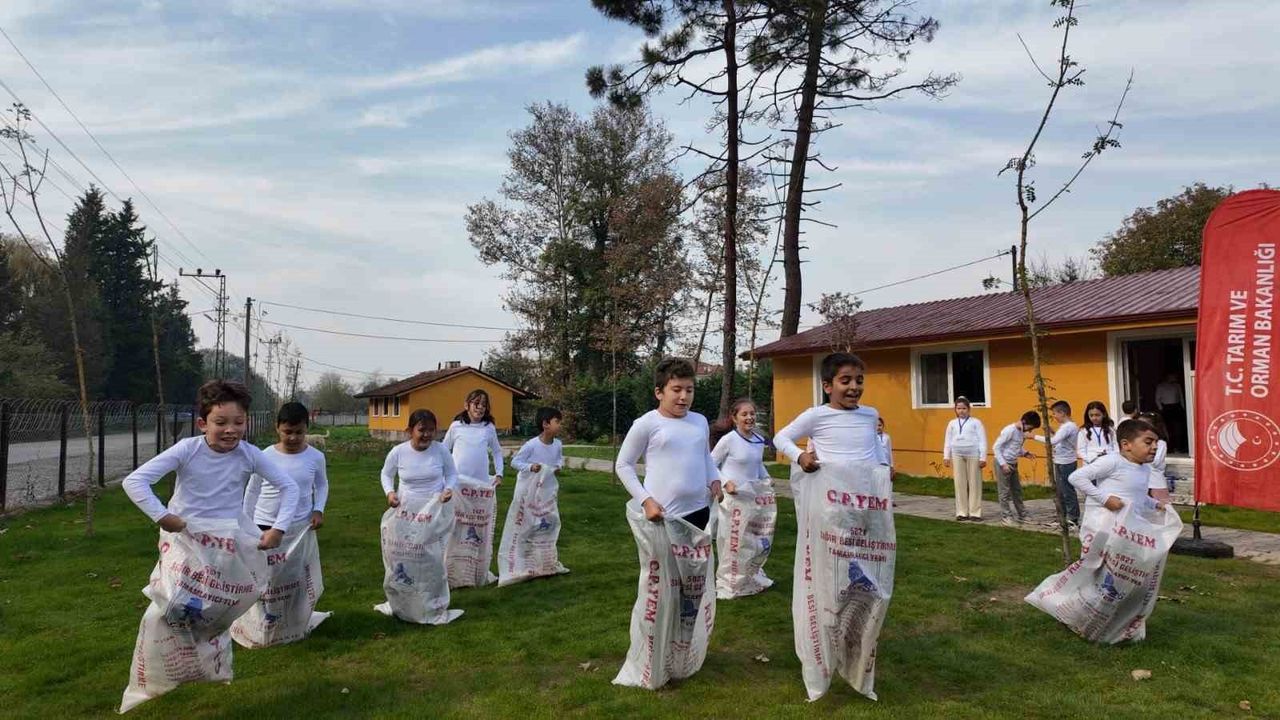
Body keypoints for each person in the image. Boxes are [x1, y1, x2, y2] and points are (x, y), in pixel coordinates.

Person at [124, 379, 297, 548]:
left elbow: (289, 487)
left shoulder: (250, 454)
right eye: (221, 423)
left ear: (246, 422)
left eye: (238, 422)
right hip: (185, 540)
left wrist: (279, 529)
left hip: (228, 541)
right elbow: (134, 481)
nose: (230, 430)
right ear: (203, 424)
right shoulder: (187, 450)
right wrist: (162, 516)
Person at [616, 357, 722, 527]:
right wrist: (646, 501)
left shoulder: (700, 421)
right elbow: (623, 465)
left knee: (698, 555)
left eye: (689, 390)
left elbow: (704, 456)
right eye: (676, 390)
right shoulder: (646, 423)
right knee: (662, 555)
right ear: (659, 393)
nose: (683, 397)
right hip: (661, 514)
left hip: (700, 510)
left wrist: (714, 479)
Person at [775, 352, 890, 475]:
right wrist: (800, 456)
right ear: (827, 387)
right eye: (845, 381)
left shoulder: (871, 415)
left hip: (867, 489)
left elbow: (874, 441)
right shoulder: (816, 416)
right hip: (833, 489)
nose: (854, 387)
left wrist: (884, 464)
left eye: (859, 381)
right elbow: (780, 438)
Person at [1068, 418, 1165, 552]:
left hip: (1127, 531)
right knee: (1098, 570)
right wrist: (1105, 499)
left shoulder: (1145, 469)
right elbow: (1076, 477)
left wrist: (1155, 504)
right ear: (1126, 445)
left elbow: (1138, 494)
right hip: (1103, 531)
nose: (1155, 447)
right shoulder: (1112, 462)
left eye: (1156, 443)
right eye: (1148, 442)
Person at [242, 401, 329, 533]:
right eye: (287, 432)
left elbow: (321, 485)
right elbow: (253, 489)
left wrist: (318, 510)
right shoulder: (264, 456)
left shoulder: (316, 457)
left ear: (307, 428)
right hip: (264, 523)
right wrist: (246, 522)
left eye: (299, 432)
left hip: (300, 525)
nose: (293, 438)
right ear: (277, 428)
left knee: (300, 555)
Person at [381, 409, 457, 509]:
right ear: (410, 431)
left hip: (435, 508)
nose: (427, 434)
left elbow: (451, 473)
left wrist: (448, 489)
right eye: (421, 430)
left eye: (431, 430)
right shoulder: (398, 452)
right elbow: (386, 474)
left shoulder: (441, 450)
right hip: (406, 509)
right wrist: (390, 492)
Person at [710, 398, 771, 495]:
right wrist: (725, 483)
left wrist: (767, 479)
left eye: (752, 414)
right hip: (731, 497)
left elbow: (757, 464)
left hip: (752, 496)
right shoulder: (728, 439)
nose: (749, 417)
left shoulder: (759, 440)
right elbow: (710, 464)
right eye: (744, 414)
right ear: (735, 419)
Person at [444, 389, 504, 488]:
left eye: (484, 405)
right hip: (458, 482)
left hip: (480, 482)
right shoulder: (456, 426)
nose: (480, 407)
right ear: (467, 405)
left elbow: (497, 451)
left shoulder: (489, 427)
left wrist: (499, 474)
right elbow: (444, 450)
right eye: (476, 403)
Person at [1036, 400, 1081, 528]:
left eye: (1055, 413)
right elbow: (1062, 441)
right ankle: (1063, 517)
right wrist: (1051, 431)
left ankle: (1073, 518)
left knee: (1067, 490)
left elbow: (1054, 441)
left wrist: (1033, 437)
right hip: (1060, 460)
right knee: (1060, 491)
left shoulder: (1069, 427)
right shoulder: (1065, 427)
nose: (1054, 416)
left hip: (1066, 462)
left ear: (1062, 413)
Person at [942, 396, 987, 522]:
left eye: (964, 408)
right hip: (957, 454)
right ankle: (961, 512)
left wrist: (983, 457)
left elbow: (982, 440)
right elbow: (948, 440)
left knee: (974, 483)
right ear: (955, 409)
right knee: (959, 483)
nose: (961, 411)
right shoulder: (952, 423)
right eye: (958, 408)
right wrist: (946, 456)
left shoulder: (976, 422)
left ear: (969, 409)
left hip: (973, 454)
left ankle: (975, 512)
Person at [992, 410, 1040, 526]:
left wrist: (1025, 453)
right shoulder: (1010, 430)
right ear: (1023, 422)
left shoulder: (1021, 433)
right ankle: (1006, 516)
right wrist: (1003, 464)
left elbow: (1014, 447)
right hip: (1002, 463)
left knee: (1017, 491)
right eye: (1030, 427)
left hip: (1013, 463)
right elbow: (996, 447)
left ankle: (1022, 515)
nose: (1030, 431)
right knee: (1004, 492)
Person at [511, 406, 565, 478]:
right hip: (528, 486)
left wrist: (558, 466)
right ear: (545, 424)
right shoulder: (531, 445)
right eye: (557, 422)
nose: (560, 425)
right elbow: (515, 462)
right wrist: (530, 467)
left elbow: (559, 459)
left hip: (547, 485)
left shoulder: (558, 444)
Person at [1139, 411, 1173, 505]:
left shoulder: (1161, 443)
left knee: (1161, 511)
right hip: (1143, 482)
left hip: (1156, 483)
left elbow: (1155, 461)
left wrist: (1141, 457)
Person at [1076, 400, 1118, 465]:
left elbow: (1116, 447)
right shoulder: (1083, 431)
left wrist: (1109, 456)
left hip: (1108, 463)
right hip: (1090, 464)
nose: (1094, 418)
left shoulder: (1111, 430)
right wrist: (1093, 458)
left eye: (1097, 415)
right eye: (1091, 415)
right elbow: (1080, 451)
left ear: (1104, 414)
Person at [1155, 372, 1186, 453]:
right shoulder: (1161, 386)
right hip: (1166, 408)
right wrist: (1161, 408)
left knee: (1178, 428)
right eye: (1172, 377)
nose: (1174, 378)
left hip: (1177, 407)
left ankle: (1178, 447)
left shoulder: (1177, 386)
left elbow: (1181, 397)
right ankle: (1169, 448)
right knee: (1168, 429)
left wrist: (1183, 407)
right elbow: (1157, 398)